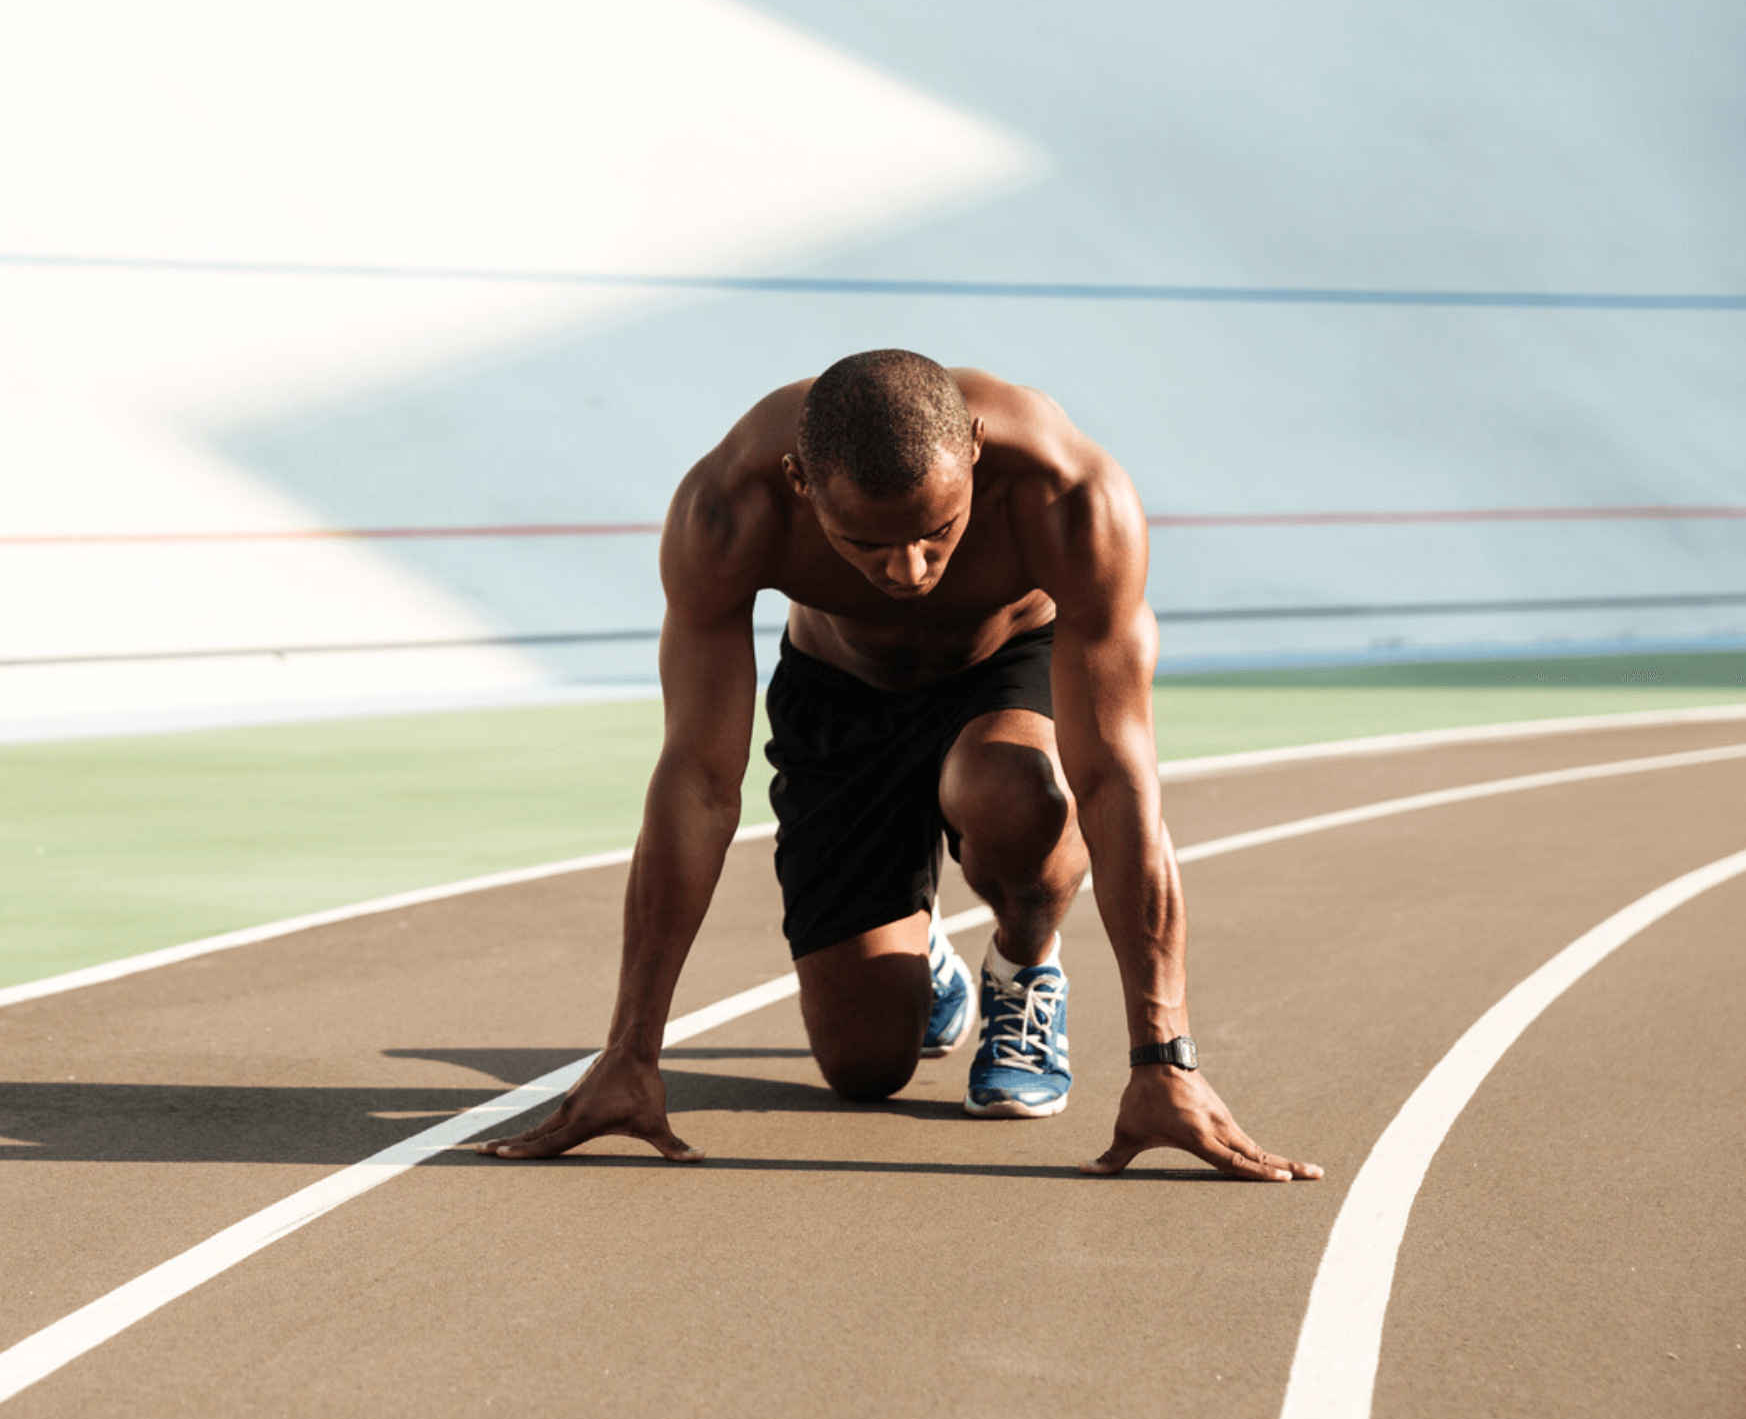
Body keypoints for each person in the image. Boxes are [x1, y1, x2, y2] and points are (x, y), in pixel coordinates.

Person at [476, 350, 1320, 1182]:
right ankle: (923, 962)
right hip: (840, 698)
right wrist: (631, 1050)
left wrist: (1163, 1056)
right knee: (864, 1066)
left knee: (1016, 791)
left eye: (938, 532)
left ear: (978, 452)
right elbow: (697, 783)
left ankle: (1023, 963)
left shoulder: (1069, 494)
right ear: (802, 484)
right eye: (867, 544)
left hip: (1008, 668)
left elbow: (1115, 781)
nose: (910, 569)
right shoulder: (730, 505)